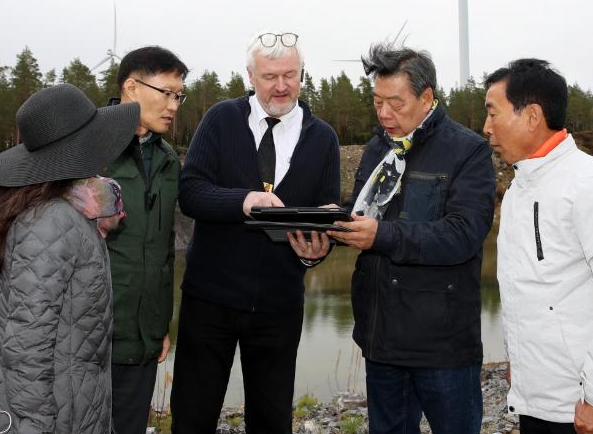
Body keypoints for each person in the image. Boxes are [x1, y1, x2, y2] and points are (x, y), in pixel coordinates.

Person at [170, 31, 340, 434]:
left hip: (279, 305)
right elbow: (190, 192)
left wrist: (315, 251)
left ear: (302, 74)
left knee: (271, 419)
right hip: (209, 300)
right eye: (269, 76)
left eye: (290, 75)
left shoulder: (324, 138)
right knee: (193, 416)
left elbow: (326, 215)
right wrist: (243, 201)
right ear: (250, 75)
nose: (281, 86)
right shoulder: (220, 120)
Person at [483, 59, 593, 434]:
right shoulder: (519, 190)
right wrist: (518, 361)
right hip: (540, 402)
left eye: (493, 113)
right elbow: (528, 290)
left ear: (532, 116)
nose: (486, 128)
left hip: (592, 413)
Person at [328, 44, 496, 434]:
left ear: (426, 98)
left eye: (395, 103)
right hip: (381, 338)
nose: (384, 113)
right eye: (376, 102)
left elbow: (463, 235)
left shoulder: (467, 151)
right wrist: (332, 228)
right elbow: (364, 214)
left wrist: (381, 235)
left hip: (443, 346)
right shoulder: (376, 149)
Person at [0, 83, 140, 434]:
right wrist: (37, 424)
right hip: (51, 414)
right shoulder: (50, 220)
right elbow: (26, 346)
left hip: (69, 402)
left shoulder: (66, 212)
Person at [103, 46, 189, 434]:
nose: (174, 105)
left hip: (143, 338)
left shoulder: (169, 160)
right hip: (88, 336)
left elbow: (161, 248)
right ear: (132, 87)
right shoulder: (88, 149)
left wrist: (159, 322)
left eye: (179, 95)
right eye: (167, 92)